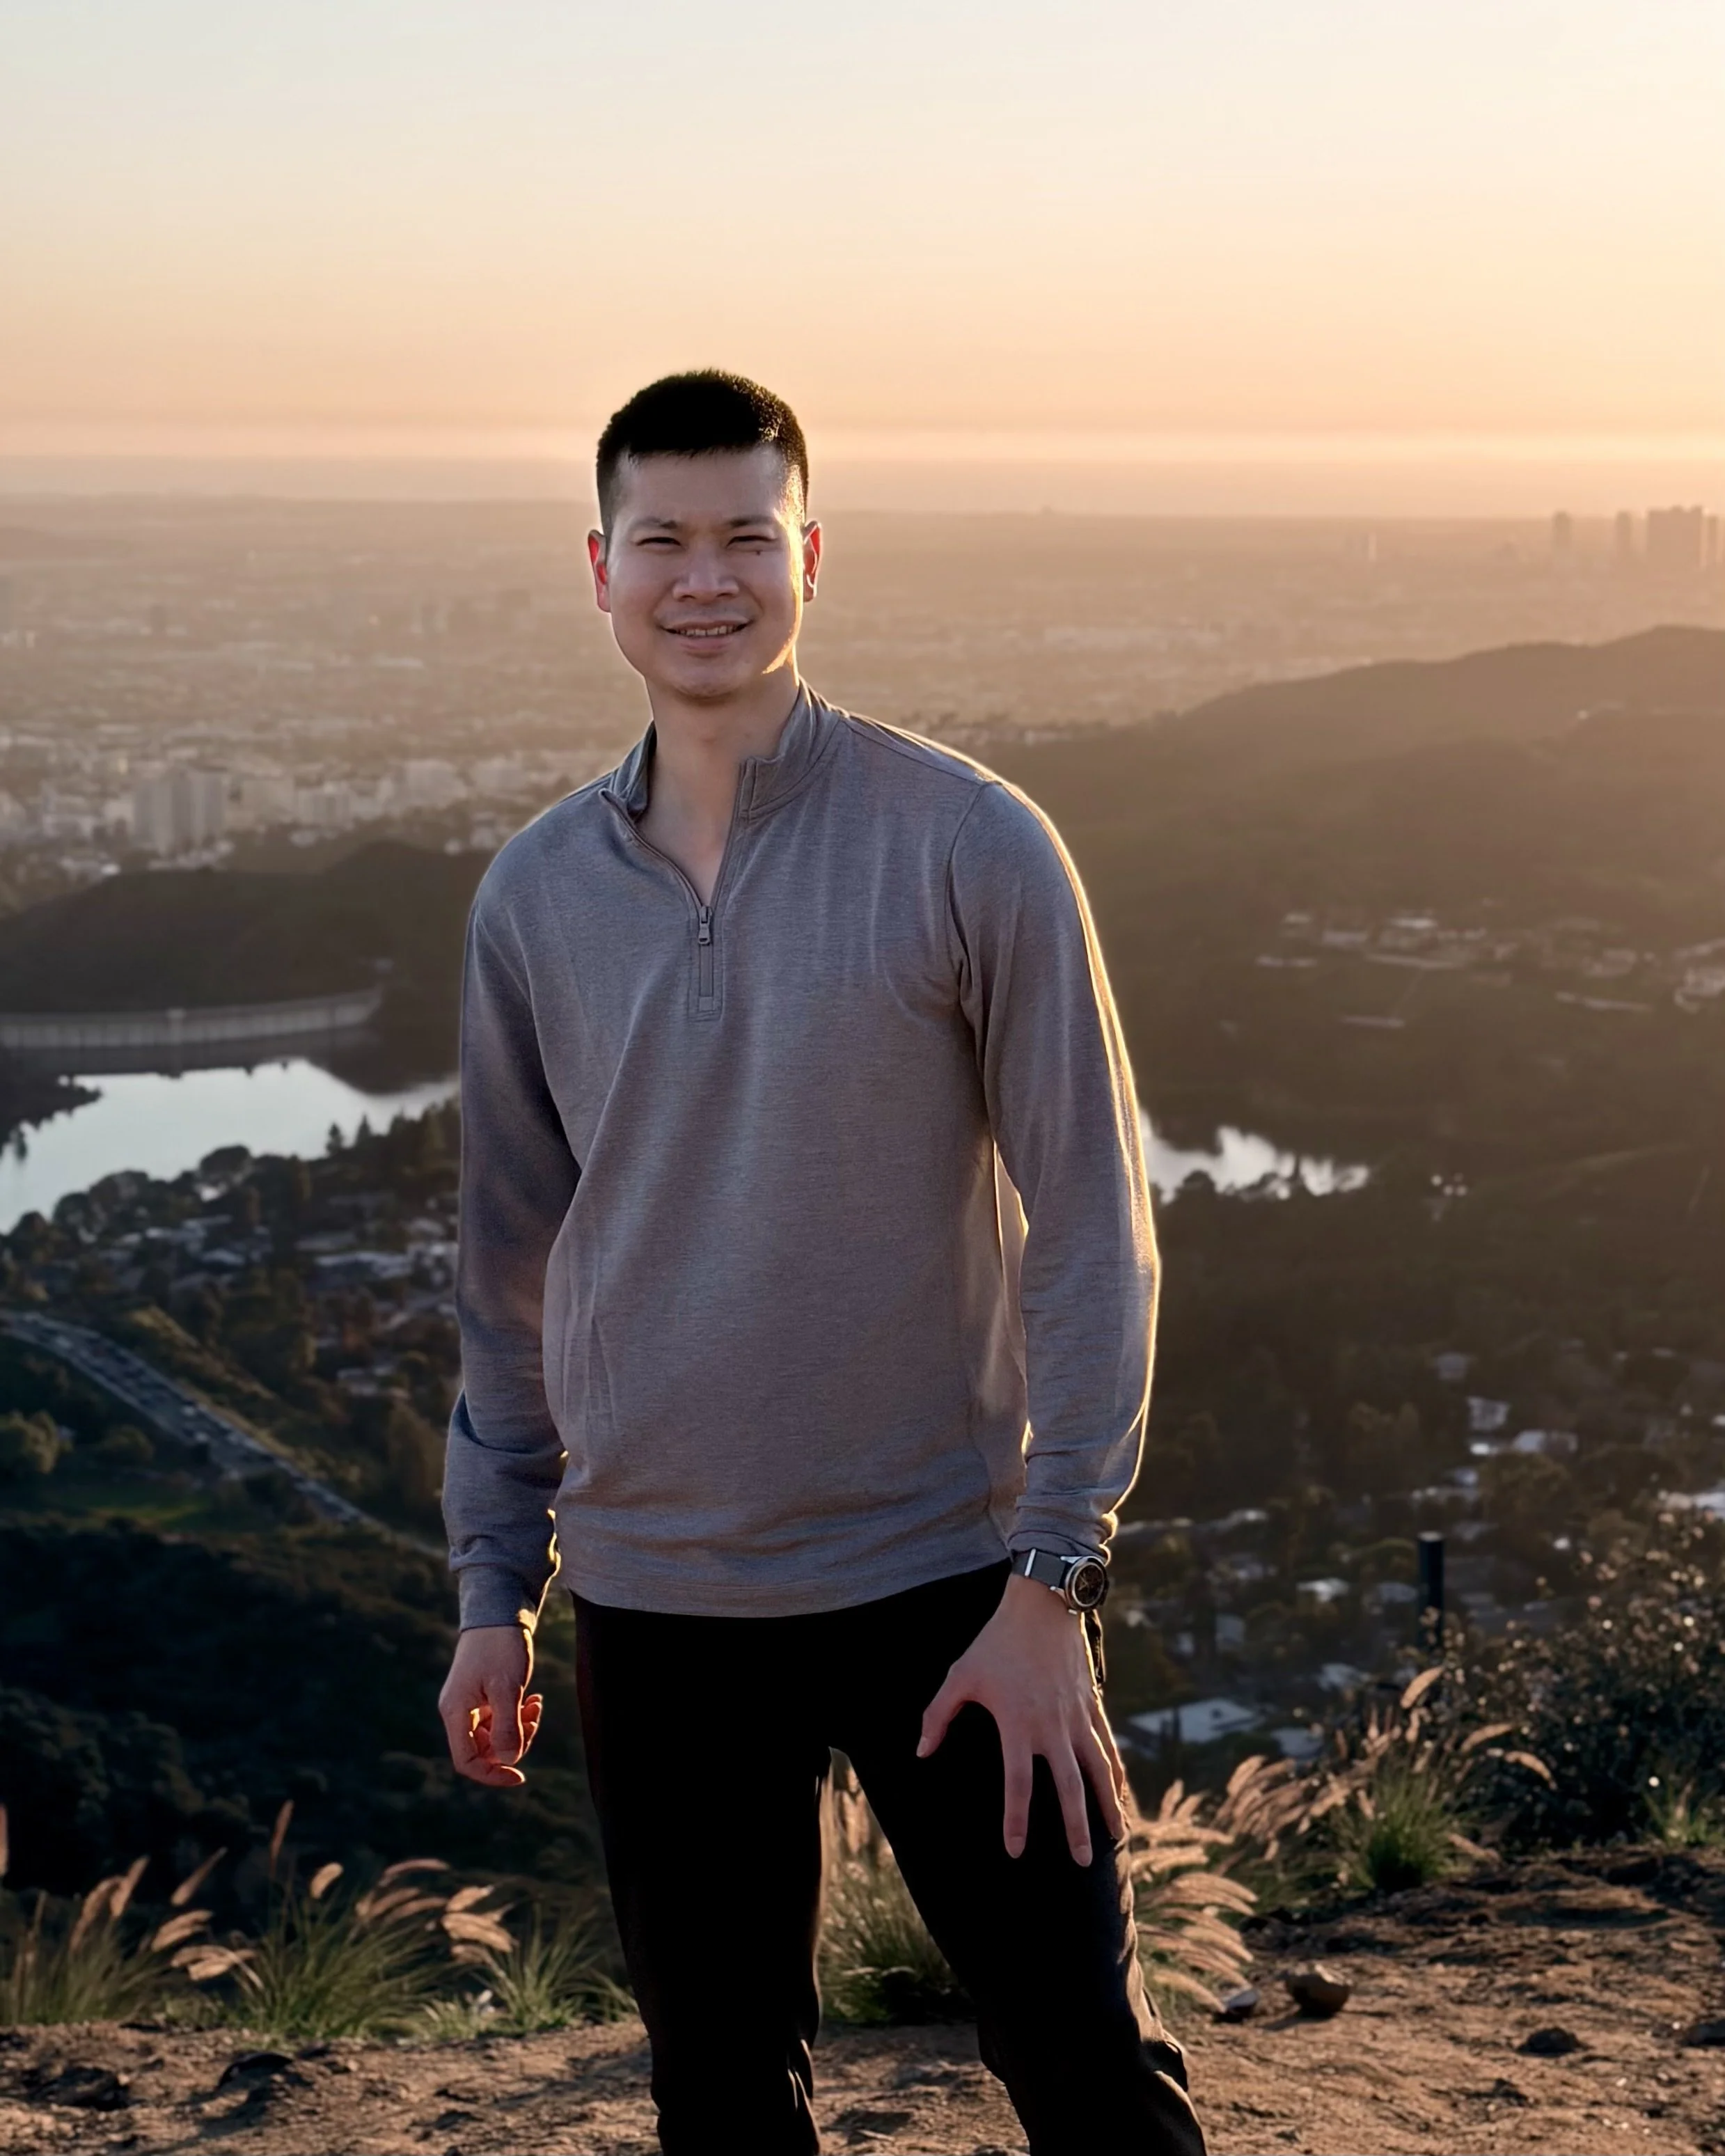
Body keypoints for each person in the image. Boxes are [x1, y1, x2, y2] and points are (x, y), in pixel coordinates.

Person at [436, 369, 1206, 2156]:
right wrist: (496, 1584)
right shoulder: (534, 896)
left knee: (1088, 2074)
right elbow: (510, 1276)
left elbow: (1094, 1225)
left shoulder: (969, 843)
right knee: (721, 2103)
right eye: (663, 542)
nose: (705, 580)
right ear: (600, 571)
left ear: (810, 558)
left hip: (947, 1587)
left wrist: (1053, 1583)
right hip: (657, 1603)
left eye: (745, 539)